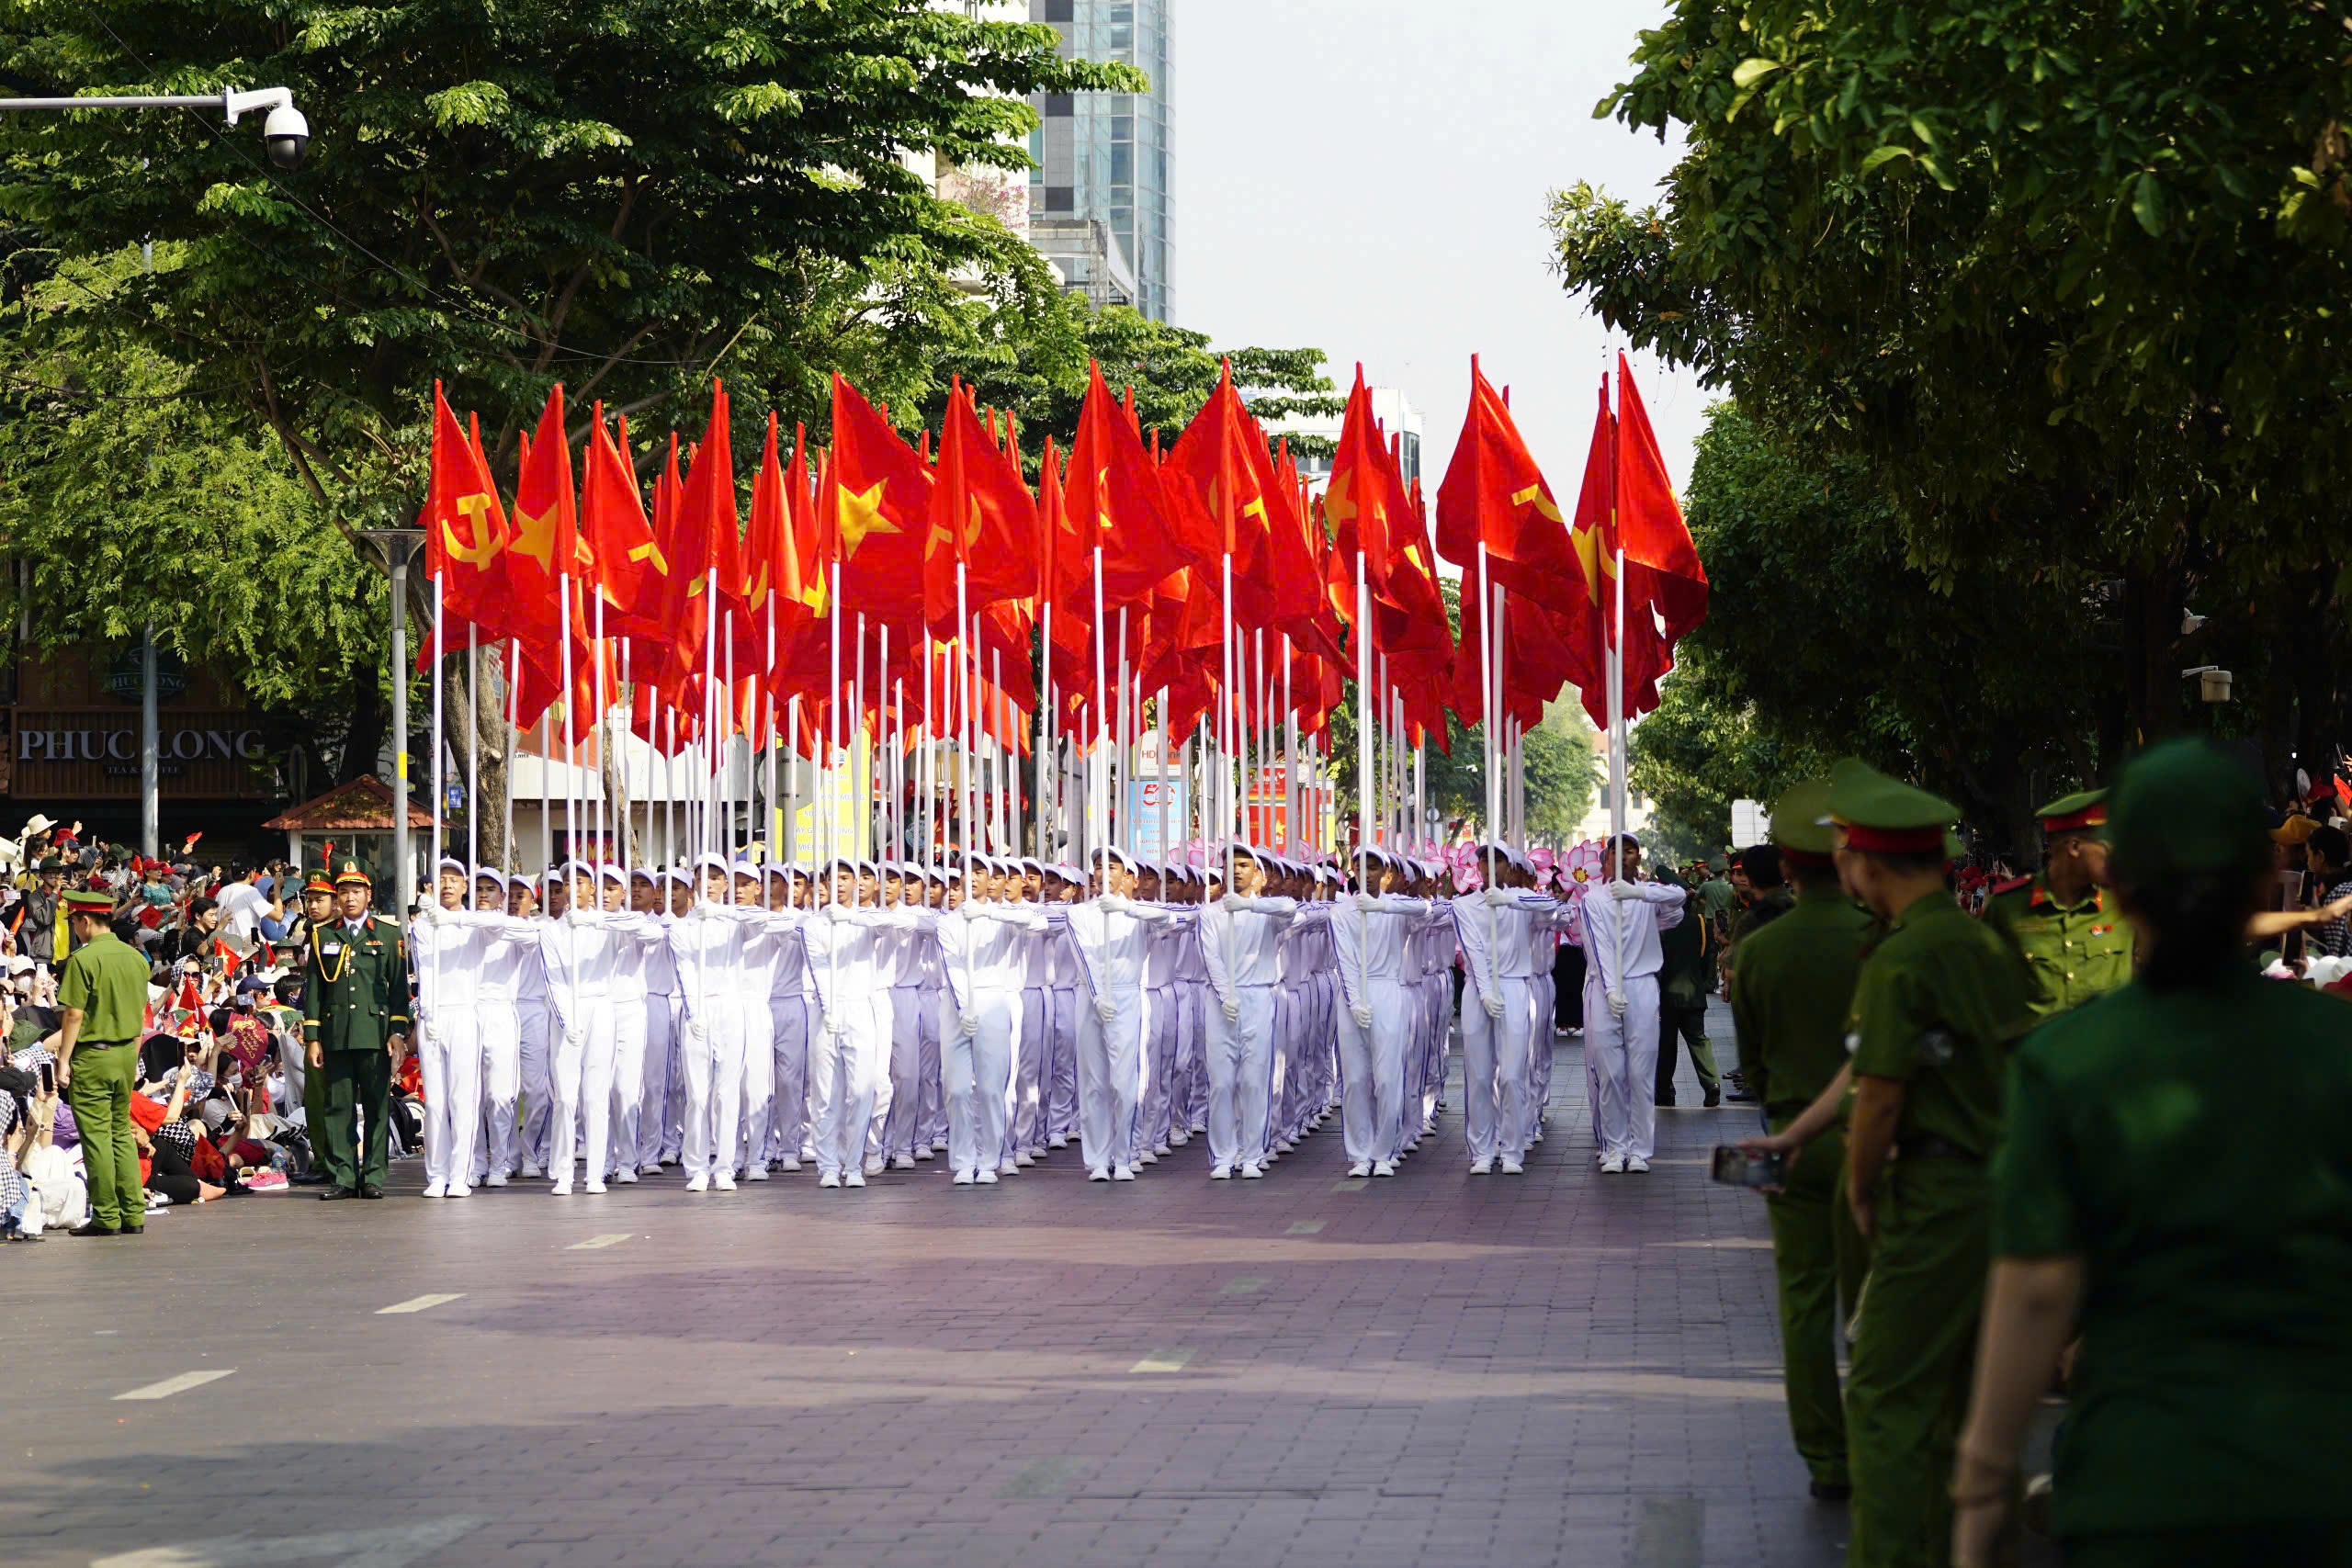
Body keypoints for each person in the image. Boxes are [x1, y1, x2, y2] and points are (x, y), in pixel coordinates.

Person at [1951, 739, 2352, 1568]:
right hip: (2316, 1485)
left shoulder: (2063, 1066)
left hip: (2138, 1492)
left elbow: (2031, 1295)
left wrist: (1984, 1481)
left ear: (2124, 889)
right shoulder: (2335, 1048)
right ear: (2256, 885)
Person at [1749, 759, 2036, 1568]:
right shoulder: (1974, 937)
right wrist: (1803, 1134)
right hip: (1992, 1187)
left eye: (1844, 851)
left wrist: (1861, 1186)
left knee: (1881, 1394)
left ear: (1869, 862)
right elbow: (1864, 1072)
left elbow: (1876, 1095)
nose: (1839, 865)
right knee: (1961, 1394)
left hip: (1934, 1194)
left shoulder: (1904, 957)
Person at [1729, 780, 1876, 1503]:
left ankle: (1825, 1456)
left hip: (1785, 1135)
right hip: (1872, 1135)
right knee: (1871, 1300)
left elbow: (1749, 1062)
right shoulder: (1877, 939)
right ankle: (1880, 1441)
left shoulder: (1760, 947)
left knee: (1804, 1302)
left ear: (1787, 864)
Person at [300, 857, 413, 1201]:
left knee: (378, 1105)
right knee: (337, 1107)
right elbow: (316, 990)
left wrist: (397, 1032)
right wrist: (313, 1038)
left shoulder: (388, 935)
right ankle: (344, 1176)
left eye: (356, 892)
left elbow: (398, 991)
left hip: (375, 1033)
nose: (350, 898)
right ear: (337, 899)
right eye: (344, 892)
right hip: (336, 1035)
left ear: (368, 896)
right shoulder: (323, 935)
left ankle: (374, 1175)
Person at [1576, 834, 1686, 1174]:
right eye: (1616, 851)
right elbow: (1600, 946)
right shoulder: (1593, 898)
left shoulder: (1647, 895)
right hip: (1605, 988)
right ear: (1606, 858)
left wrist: (1638, 892)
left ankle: (1639, 1149)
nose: (1623, 857)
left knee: (1640, 1072)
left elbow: (1679, 897)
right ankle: (1613, 1147)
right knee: (1610, 1072)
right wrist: (1610, 989)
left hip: (1642, 985)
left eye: (1630, 851)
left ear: (1638, 857)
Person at [1981, 790, 2133, 1021]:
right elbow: (1981, 989)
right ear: (2074, 847)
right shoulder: (2006, 909)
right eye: (2107, 848)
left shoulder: (2125, 904)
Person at [52, 887, 152, 1235]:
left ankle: (107, 1216)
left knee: (96, 1137)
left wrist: (63, 1060)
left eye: (75, 923)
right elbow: (141, 1013)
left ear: (84, 920)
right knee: (120, 1133)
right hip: (126, 1053)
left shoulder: (83, 959)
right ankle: (133, 1215)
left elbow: (74, 1016)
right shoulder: (137, 957)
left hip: (94, 1056)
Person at [1652, 866, 1723, 1109]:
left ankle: (1663, 1092)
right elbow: (1704, 957)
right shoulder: (1700, 923)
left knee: (1666, 1045)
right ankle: (1712, 1084)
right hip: (1693, 993)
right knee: (1699, 1040)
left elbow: (1656, 963)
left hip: (1667, 995)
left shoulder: (1660, 927)